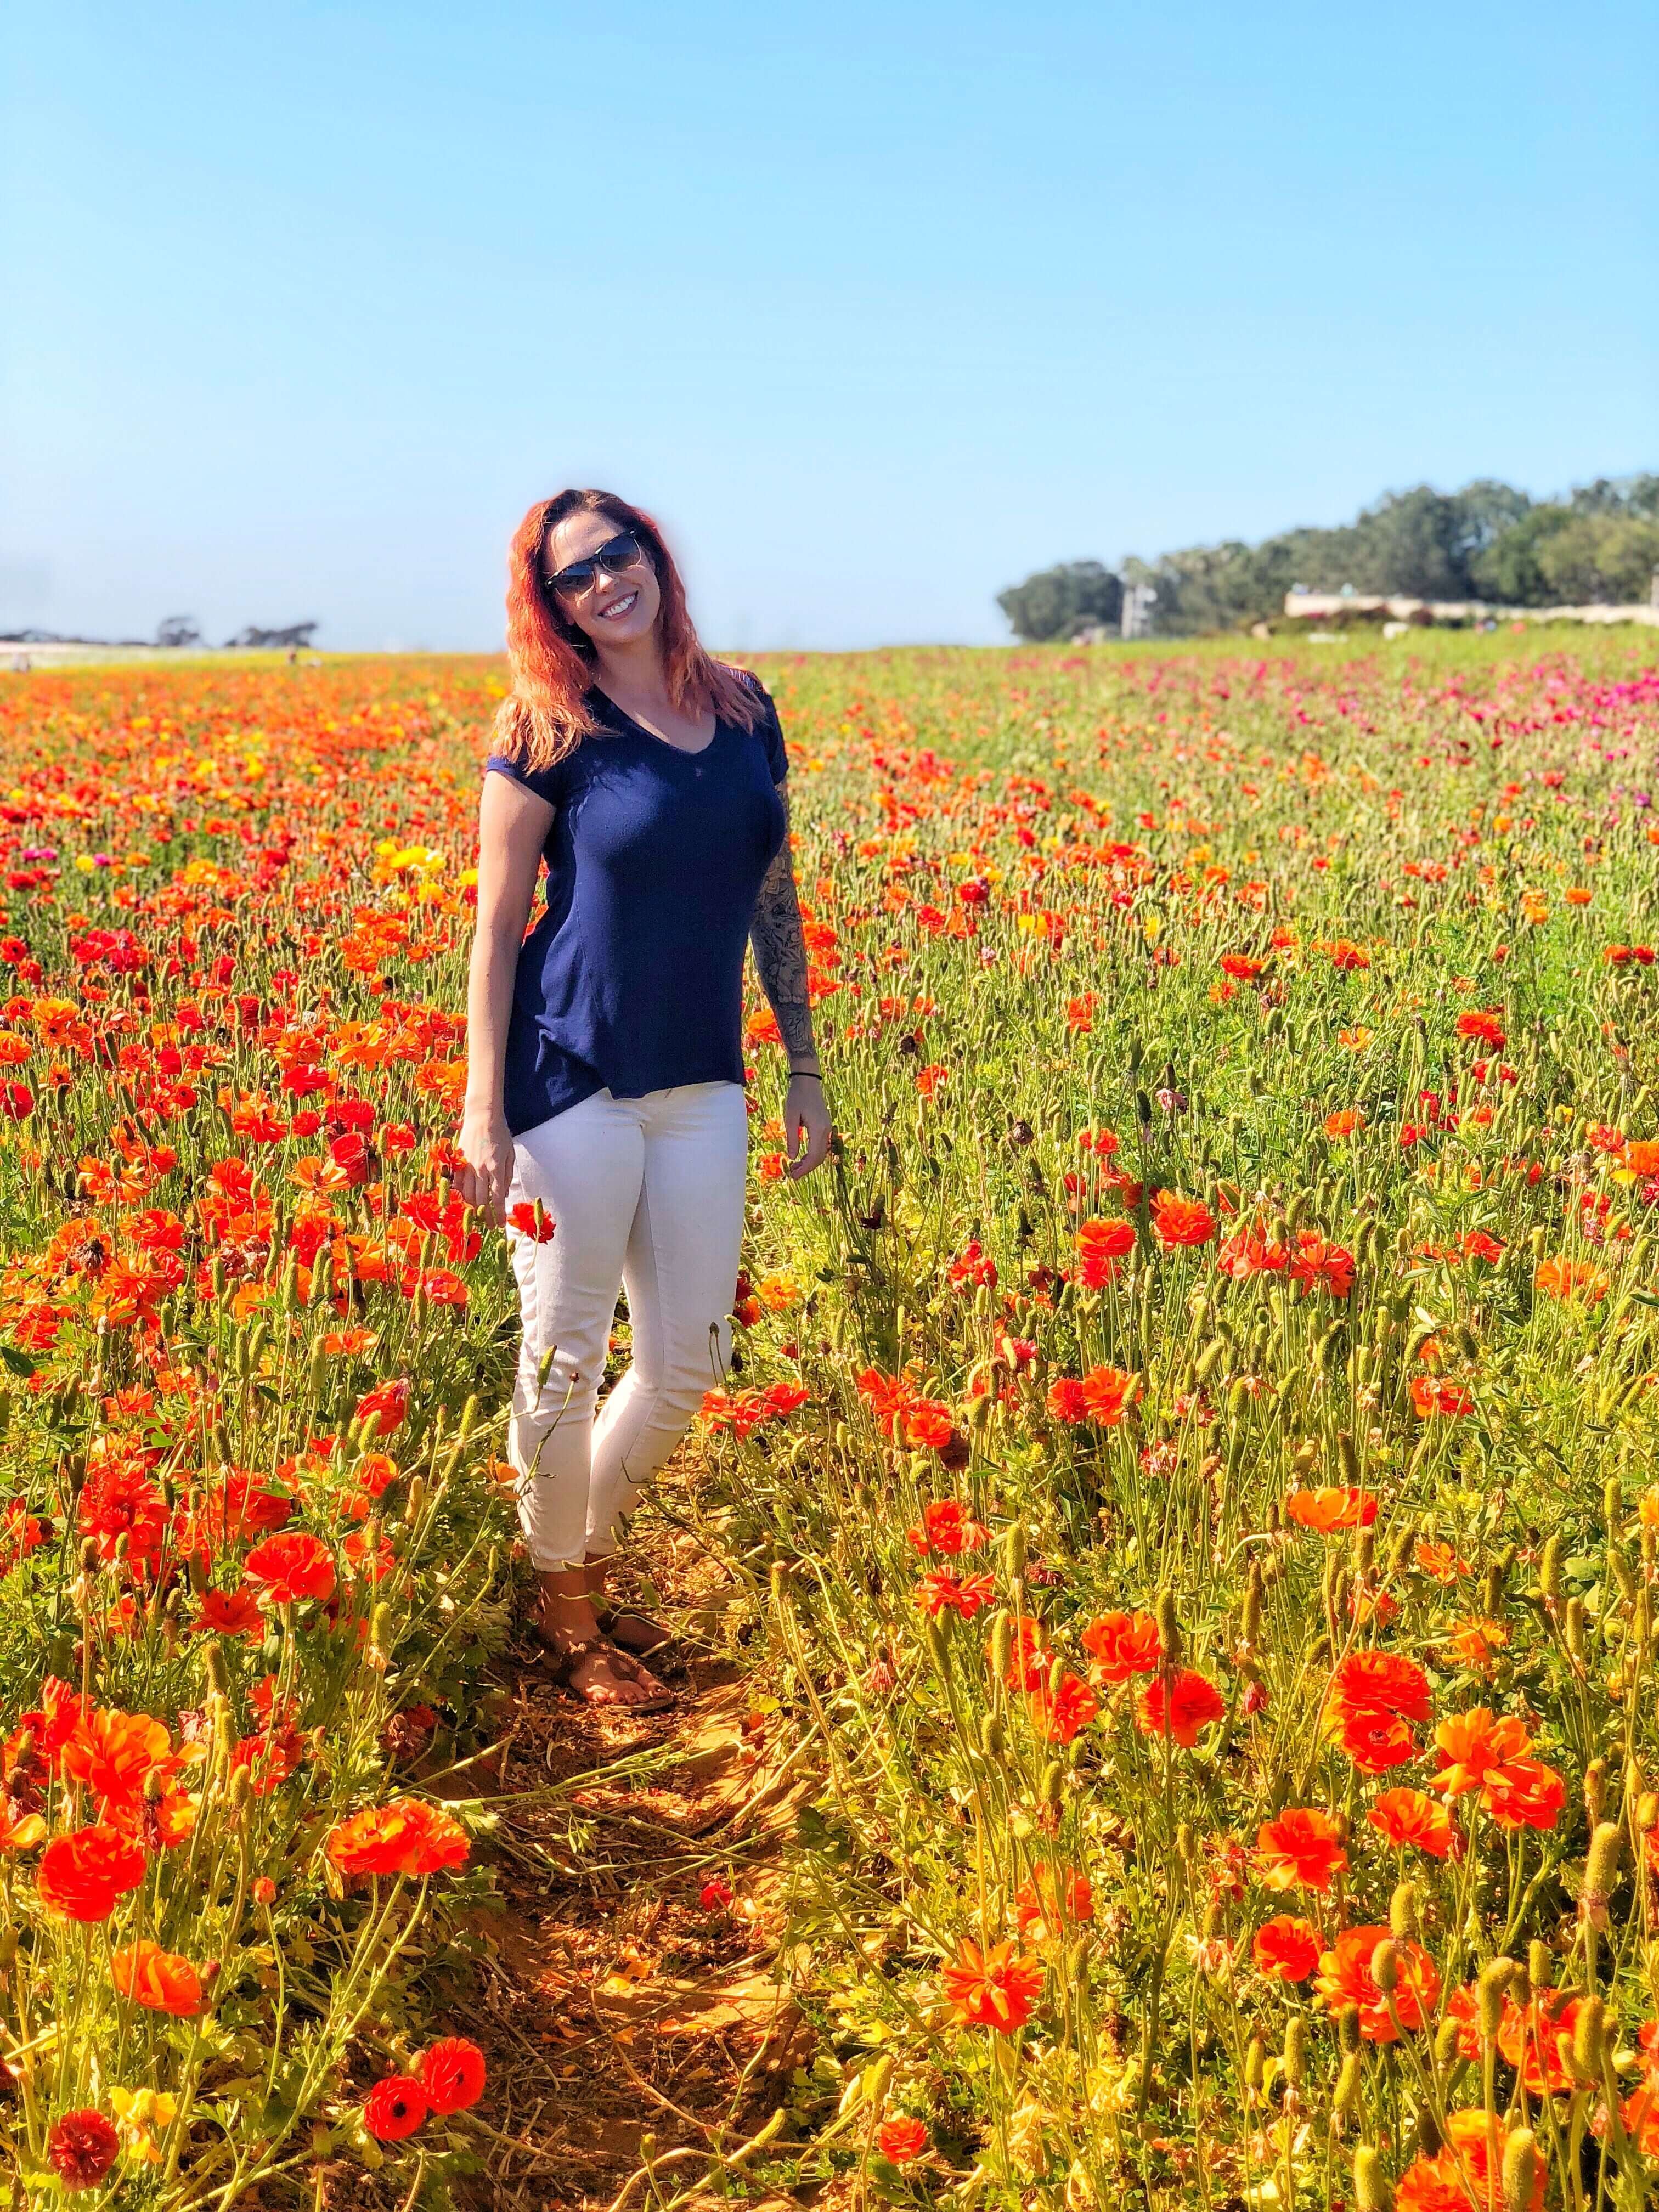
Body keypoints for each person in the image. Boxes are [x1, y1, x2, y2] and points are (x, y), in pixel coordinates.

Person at [456, 491, 832, 1709]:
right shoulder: (548, 726)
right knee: (564, 1356)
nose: (605, 583)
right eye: (575, 576)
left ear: (656, 559)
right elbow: (497, 930)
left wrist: (805, 1066)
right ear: (552, 604)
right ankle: (568, 1608)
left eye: (619, 555)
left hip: (701, 1077)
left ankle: (560, 1542)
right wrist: (481, 1109)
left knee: (689, 1360)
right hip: (570, 1077)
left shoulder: (744, 711)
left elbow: (775, 896)